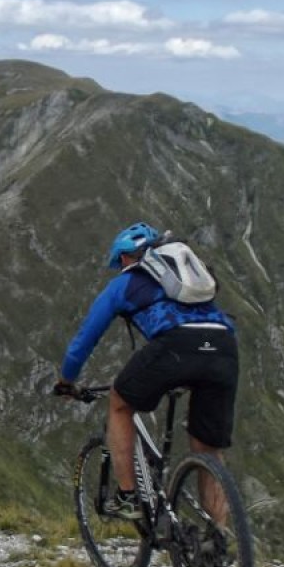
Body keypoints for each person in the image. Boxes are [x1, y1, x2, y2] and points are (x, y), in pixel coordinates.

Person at [54, 222, 238, 520]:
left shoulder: (125, 283)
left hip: (176, 345)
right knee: (208, 449)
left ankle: (128, 498)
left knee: (119, 404)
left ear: (126, 257)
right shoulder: (186, 277)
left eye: (120, 261)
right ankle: (217, 541)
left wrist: (66, 380)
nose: (120, 267)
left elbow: (85, 339)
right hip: (223, 344)